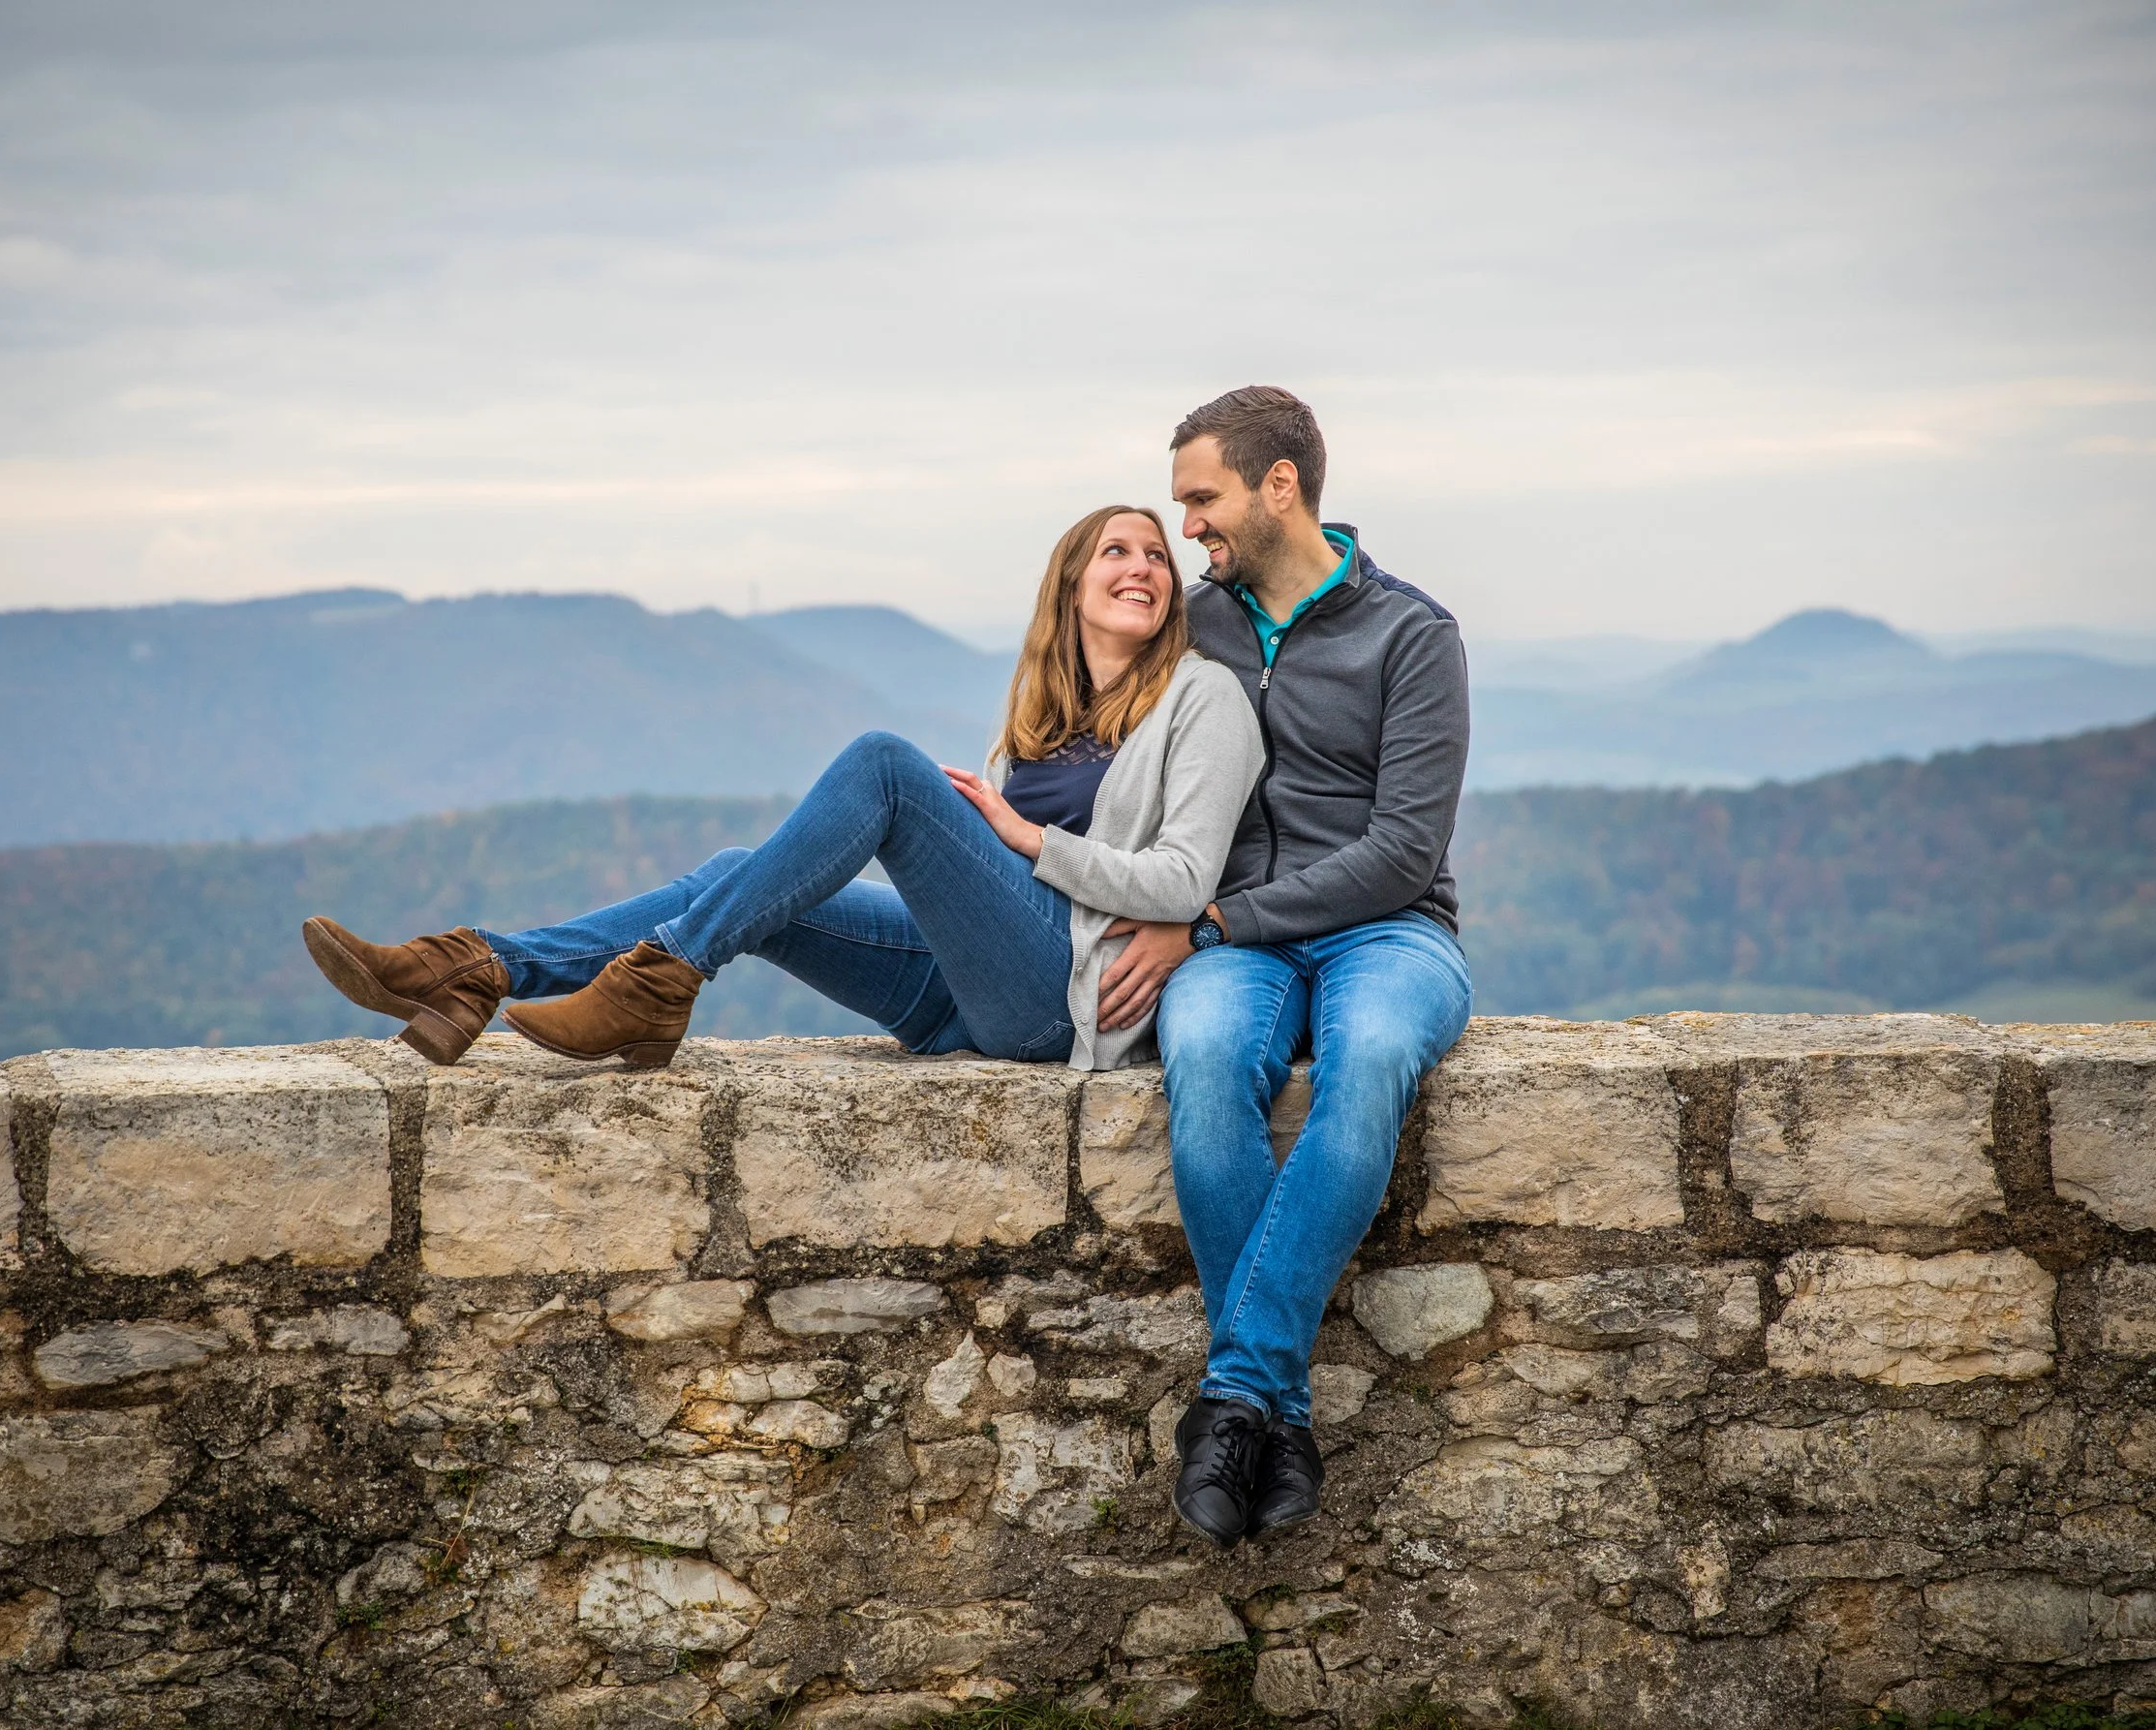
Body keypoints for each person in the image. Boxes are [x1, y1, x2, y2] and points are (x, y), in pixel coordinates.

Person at [300, 505, 1263, 1077]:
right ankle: (478, 969)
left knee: (886, 763)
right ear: (1071, 584)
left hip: (1065, 996)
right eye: (1116, 551)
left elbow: (1181, 880)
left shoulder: (1201, 697)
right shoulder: (1040, 721)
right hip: (956, 996)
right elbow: (976, 896)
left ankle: (655, 983)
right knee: (738, 874)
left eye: (1155, 556)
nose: (1141, 565)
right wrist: (1006, 832)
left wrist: (1023, 837)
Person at [1103, 387, 1473, 1547]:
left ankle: (1231, 1397)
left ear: (1280, 485)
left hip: (1389, 928)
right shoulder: (1196, 626)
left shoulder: (1413, 636)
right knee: (1205, 1055)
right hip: (1228, 939)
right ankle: (1283, 1406)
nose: (1189, 527)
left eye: (1202, 499)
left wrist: (1213, 921)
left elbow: (1402, 851)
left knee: (1366, 1059)